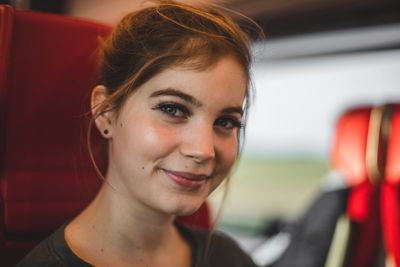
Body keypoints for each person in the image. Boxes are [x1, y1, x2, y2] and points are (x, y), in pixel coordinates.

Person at [17, 0, 259, 266]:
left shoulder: (229, 257)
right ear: (106, 112)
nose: (203, 150)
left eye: (226, 122)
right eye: (173, 109)